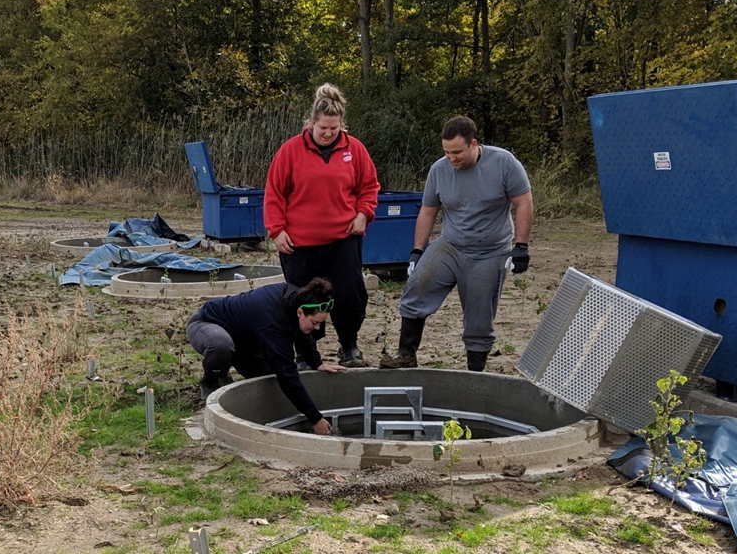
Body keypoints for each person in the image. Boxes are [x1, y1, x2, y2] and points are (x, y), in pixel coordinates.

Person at [379, 115, 533, 372]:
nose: (452, 159)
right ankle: (405, 354)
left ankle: (475, 372)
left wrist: (521, 247)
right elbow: (428, 211)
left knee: (479, 317)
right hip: (450, 245)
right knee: (416, 289)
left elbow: (523, 203)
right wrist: (417, 251)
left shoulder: (504, 163)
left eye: (458, 152)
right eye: (447, 152)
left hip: (490, 250)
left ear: (474, 144)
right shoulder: (439, 170)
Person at [264, 83, 380, 368]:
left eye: (334, 128)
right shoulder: (290, 151)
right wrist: (276, 231)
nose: (328, 133)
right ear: (311, 124)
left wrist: (364, 213)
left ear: (341, 125)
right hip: (300, 243)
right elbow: (274, 193)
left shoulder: (355, 150)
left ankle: (349, 344)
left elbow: (369, 187)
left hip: (343, 238)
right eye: (323, 128)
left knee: (350, 294)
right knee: (303, 299)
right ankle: (305, 351)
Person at [186, 278, 347, 435]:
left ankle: (228, 361)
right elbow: (288, 376)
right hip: (207, 324)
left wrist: (316, 363)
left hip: (245, 341)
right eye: (314, 323)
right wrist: (316, 419)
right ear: (300, 312)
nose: (317, 328)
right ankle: (211, 381)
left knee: (269, 379)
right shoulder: (273, 323)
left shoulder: (296, 298)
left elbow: (303, 332)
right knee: (221, 346)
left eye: (320, 323)